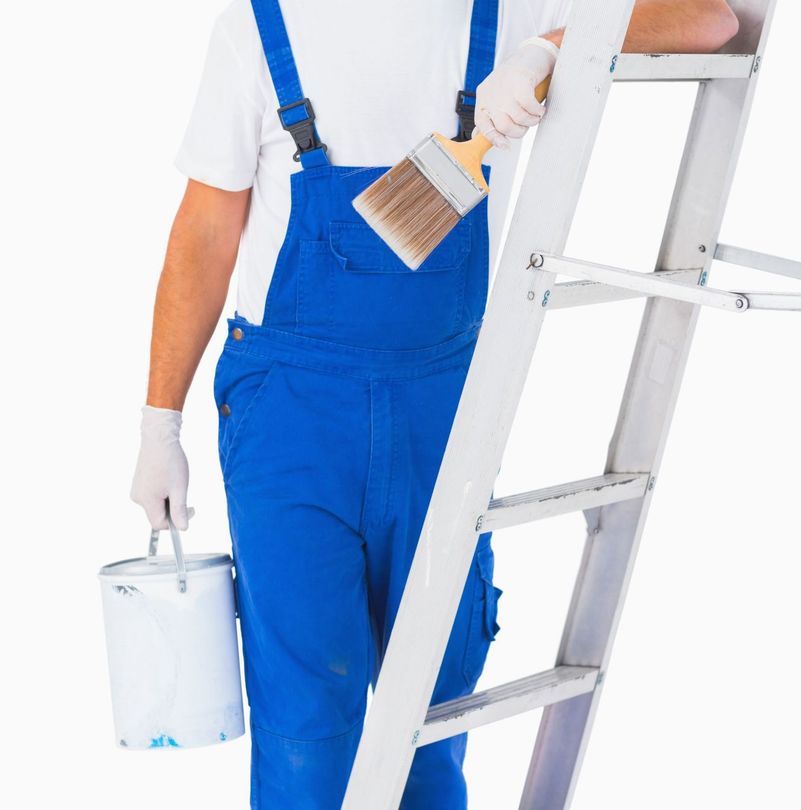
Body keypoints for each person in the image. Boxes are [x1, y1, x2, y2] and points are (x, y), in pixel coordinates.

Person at [130, 1, 739, 806]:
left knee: (431, 721)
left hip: (444, 412)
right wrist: (157, 422)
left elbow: (712, 20)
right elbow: (206, 229)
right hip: (291, 421)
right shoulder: (262, 24)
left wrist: (548, 51)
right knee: (307, 734)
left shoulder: (509, 8)